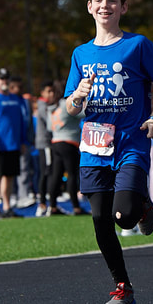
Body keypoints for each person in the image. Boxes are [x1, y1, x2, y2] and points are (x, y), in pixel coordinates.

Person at [65, 0, 153, 304]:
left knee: (123, 216)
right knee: (100, 219)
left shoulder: (138, 45)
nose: (105, 6)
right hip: (94, 147)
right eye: (99, 0)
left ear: (123, 7)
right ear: (89, 7)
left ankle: (141, 206)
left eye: (112, 0)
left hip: (130, 142)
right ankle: (123, 287)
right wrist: (78, 96)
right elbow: (70, 107)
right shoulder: (80, 53)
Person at [0, 68, 30, 219]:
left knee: (9, 177)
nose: (4, 81)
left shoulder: (15, 99)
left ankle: (7, 206)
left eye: (6, 79)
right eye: (1, 79)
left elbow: (21, 122)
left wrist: (22, 141)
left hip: (13, 144)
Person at [49, 80, 88, 216]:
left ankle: (52, 206)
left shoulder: (53, 107)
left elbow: (49, 126)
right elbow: (84, 113)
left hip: (55, 141)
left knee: (56, 175)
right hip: (69, 142)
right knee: (72, 175)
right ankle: (76, 207)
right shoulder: (67, 104)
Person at [10, 75, 36, 209]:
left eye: (20, 87)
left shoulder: (25, 102)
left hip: (23, 140)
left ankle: (23, 195)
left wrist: (29, 139)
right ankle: (11, 196)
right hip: (9, 141)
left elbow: (29, 121)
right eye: (15, 87)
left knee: (24, 169)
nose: (18, 89)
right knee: (10, 171)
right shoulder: (8, 101)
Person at [34, 81, 55, 217]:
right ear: (42, 93)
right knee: (46, 172)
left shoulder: (45, 106)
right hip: (45, 143)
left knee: (48, 172)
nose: (51, 94)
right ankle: (42, 203)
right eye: (49, 91)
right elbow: (50, 123)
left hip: (47, 143)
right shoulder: (43, 107)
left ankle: (47, 203)